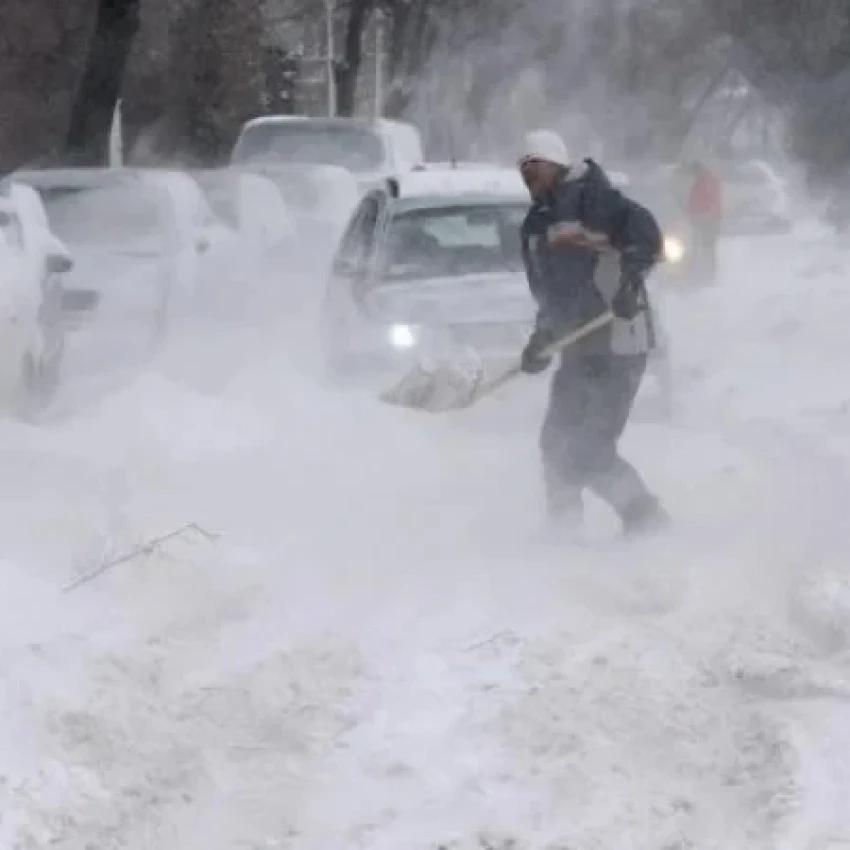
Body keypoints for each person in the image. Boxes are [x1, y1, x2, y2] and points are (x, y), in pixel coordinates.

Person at [517, 129, 669, 537]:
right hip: (579, 347)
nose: (529, 177)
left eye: (537, 167)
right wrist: (541, 340)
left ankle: (648, 522)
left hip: (621, 341)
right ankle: (563, 529)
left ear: (558, 165)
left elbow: (645, 235)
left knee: (589, 450)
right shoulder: (536, 226)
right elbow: (550, 294)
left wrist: (631, 282)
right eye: (524, 170)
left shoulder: (594, 199)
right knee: (555, 443)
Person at [684, 159, 722, 282]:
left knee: (707, 248)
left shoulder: (708, 181)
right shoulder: (701, 181)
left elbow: (712, 200)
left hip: (708, 221)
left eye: (695, 172)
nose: (694, 175)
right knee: (698, 247)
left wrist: (705, 214)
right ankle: (699, 273)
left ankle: (708, 275)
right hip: (699, 220)